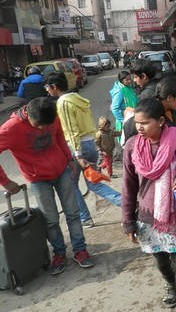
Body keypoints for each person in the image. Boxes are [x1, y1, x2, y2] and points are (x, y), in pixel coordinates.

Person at [122, 98, 176, 310]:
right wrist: (128, 221)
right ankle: (171, 286)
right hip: (147, 217)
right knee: (161, 263)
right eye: (137, 123)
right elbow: (128, 186)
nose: (139, 127)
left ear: (161, 121)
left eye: (145, 123)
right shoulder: (132, 146)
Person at [0, 97, 94, 275]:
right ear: (29, 115)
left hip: (61, 172)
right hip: (38, 180)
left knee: (73, 213)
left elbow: (59, 136)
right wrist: (5, 181)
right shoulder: (10, 129)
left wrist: (68, 159)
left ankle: (80, 250)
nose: (44, 129)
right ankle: (58, 253)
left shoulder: (52, 115)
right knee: (50, 219)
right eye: (39, 125)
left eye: (47, 125)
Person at [45, 72, 122, 228]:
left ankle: (85, 218)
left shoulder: (63, 103)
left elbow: (71, 130)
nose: (46, 90)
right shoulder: (77, 99)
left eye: (47, 87)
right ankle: (127, 203)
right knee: (93, 183)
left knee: (71, 185)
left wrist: (78, 155)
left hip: (77, 148)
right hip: (90, 145)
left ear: (54, 87)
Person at [109, 70, 139, 137]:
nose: (129, 81)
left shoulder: (129, 88)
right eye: (127, 80)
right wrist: (123, 121)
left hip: (132, 119)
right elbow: (114, 108)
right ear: (121, 80)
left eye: (130, 79)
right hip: (125, 120)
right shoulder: (120, 91)